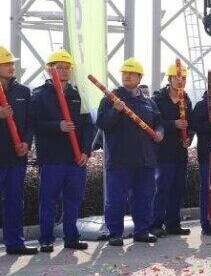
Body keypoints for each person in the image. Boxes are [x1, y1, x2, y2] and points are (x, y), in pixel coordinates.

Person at [30, 50, 95, 252]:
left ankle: (71, 238)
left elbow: (87, 126)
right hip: (51, 158)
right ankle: (46, 239)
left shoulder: (77, 95)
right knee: (48, 200)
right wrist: (57, 126)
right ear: (50, 70)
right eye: (59, 67)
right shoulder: (39, 95)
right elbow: (33, 124)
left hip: (75, 159)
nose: (64, 71)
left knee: (73, 199)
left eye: (67, 68)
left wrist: (85, 151)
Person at [97, 58, 163, 247]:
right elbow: (101, 124)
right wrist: (115, 111)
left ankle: (142, 231)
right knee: (116, 198)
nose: (126, 76)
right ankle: (115, 234)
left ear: (139, 77)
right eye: (124, 73)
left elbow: (158, 122)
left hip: (145, 159)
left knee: (144, 196)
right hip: (119, 159)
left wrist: (159, 132)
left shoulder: (148, 102)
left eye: (131, 73)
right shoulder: (110, 99)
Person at [150, 65, 195, 237]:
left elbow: (191, 124)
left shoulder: (186, 98)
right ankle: (155, 224)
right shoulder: (158, 99)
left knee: (178, 187)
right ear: (169, 79)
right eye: (177, 78)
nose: (180, 81)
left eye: (183, 78)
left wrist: (189, 136)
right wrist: (173, 124)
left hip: (180, 152)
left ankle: (173, 223)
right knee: (162, 187)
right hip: (163, 152)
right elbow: (155, 122)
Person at [0, 47, 33, 256]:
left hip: (16, 156)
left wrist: (26, 143)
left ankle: (15, 243)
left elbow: (30, 122)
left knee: (14, 200)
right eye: (7, 63)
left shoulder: (23, 91)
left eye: (12, 63)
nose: (12, 67)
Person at [192, 90, 211, 236]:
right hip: (207, 154)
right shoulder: (202, 105)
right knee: (207, 190)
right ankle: (206, 223)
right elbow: (196, 126)